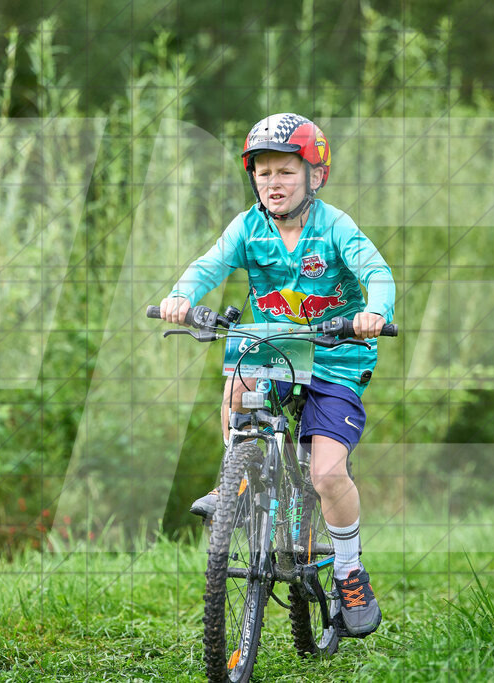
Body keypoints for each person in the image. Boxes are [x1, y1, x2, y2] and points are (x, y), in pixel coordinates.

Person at [158, 113, 394, 638]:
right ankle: (235, 478)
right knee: (240, 378)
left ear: (315, 175)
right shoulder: (248, 227)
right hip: (275, 349)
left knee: (327, 474)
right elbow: (209, 265)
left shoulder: (334, 226)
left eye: (286, 172)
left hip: (336, 355)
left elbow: (375, 270)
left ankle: (350, 569)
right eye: (263, 173)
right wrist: (181, 297)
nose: (273, 183)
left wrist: (374, 311)